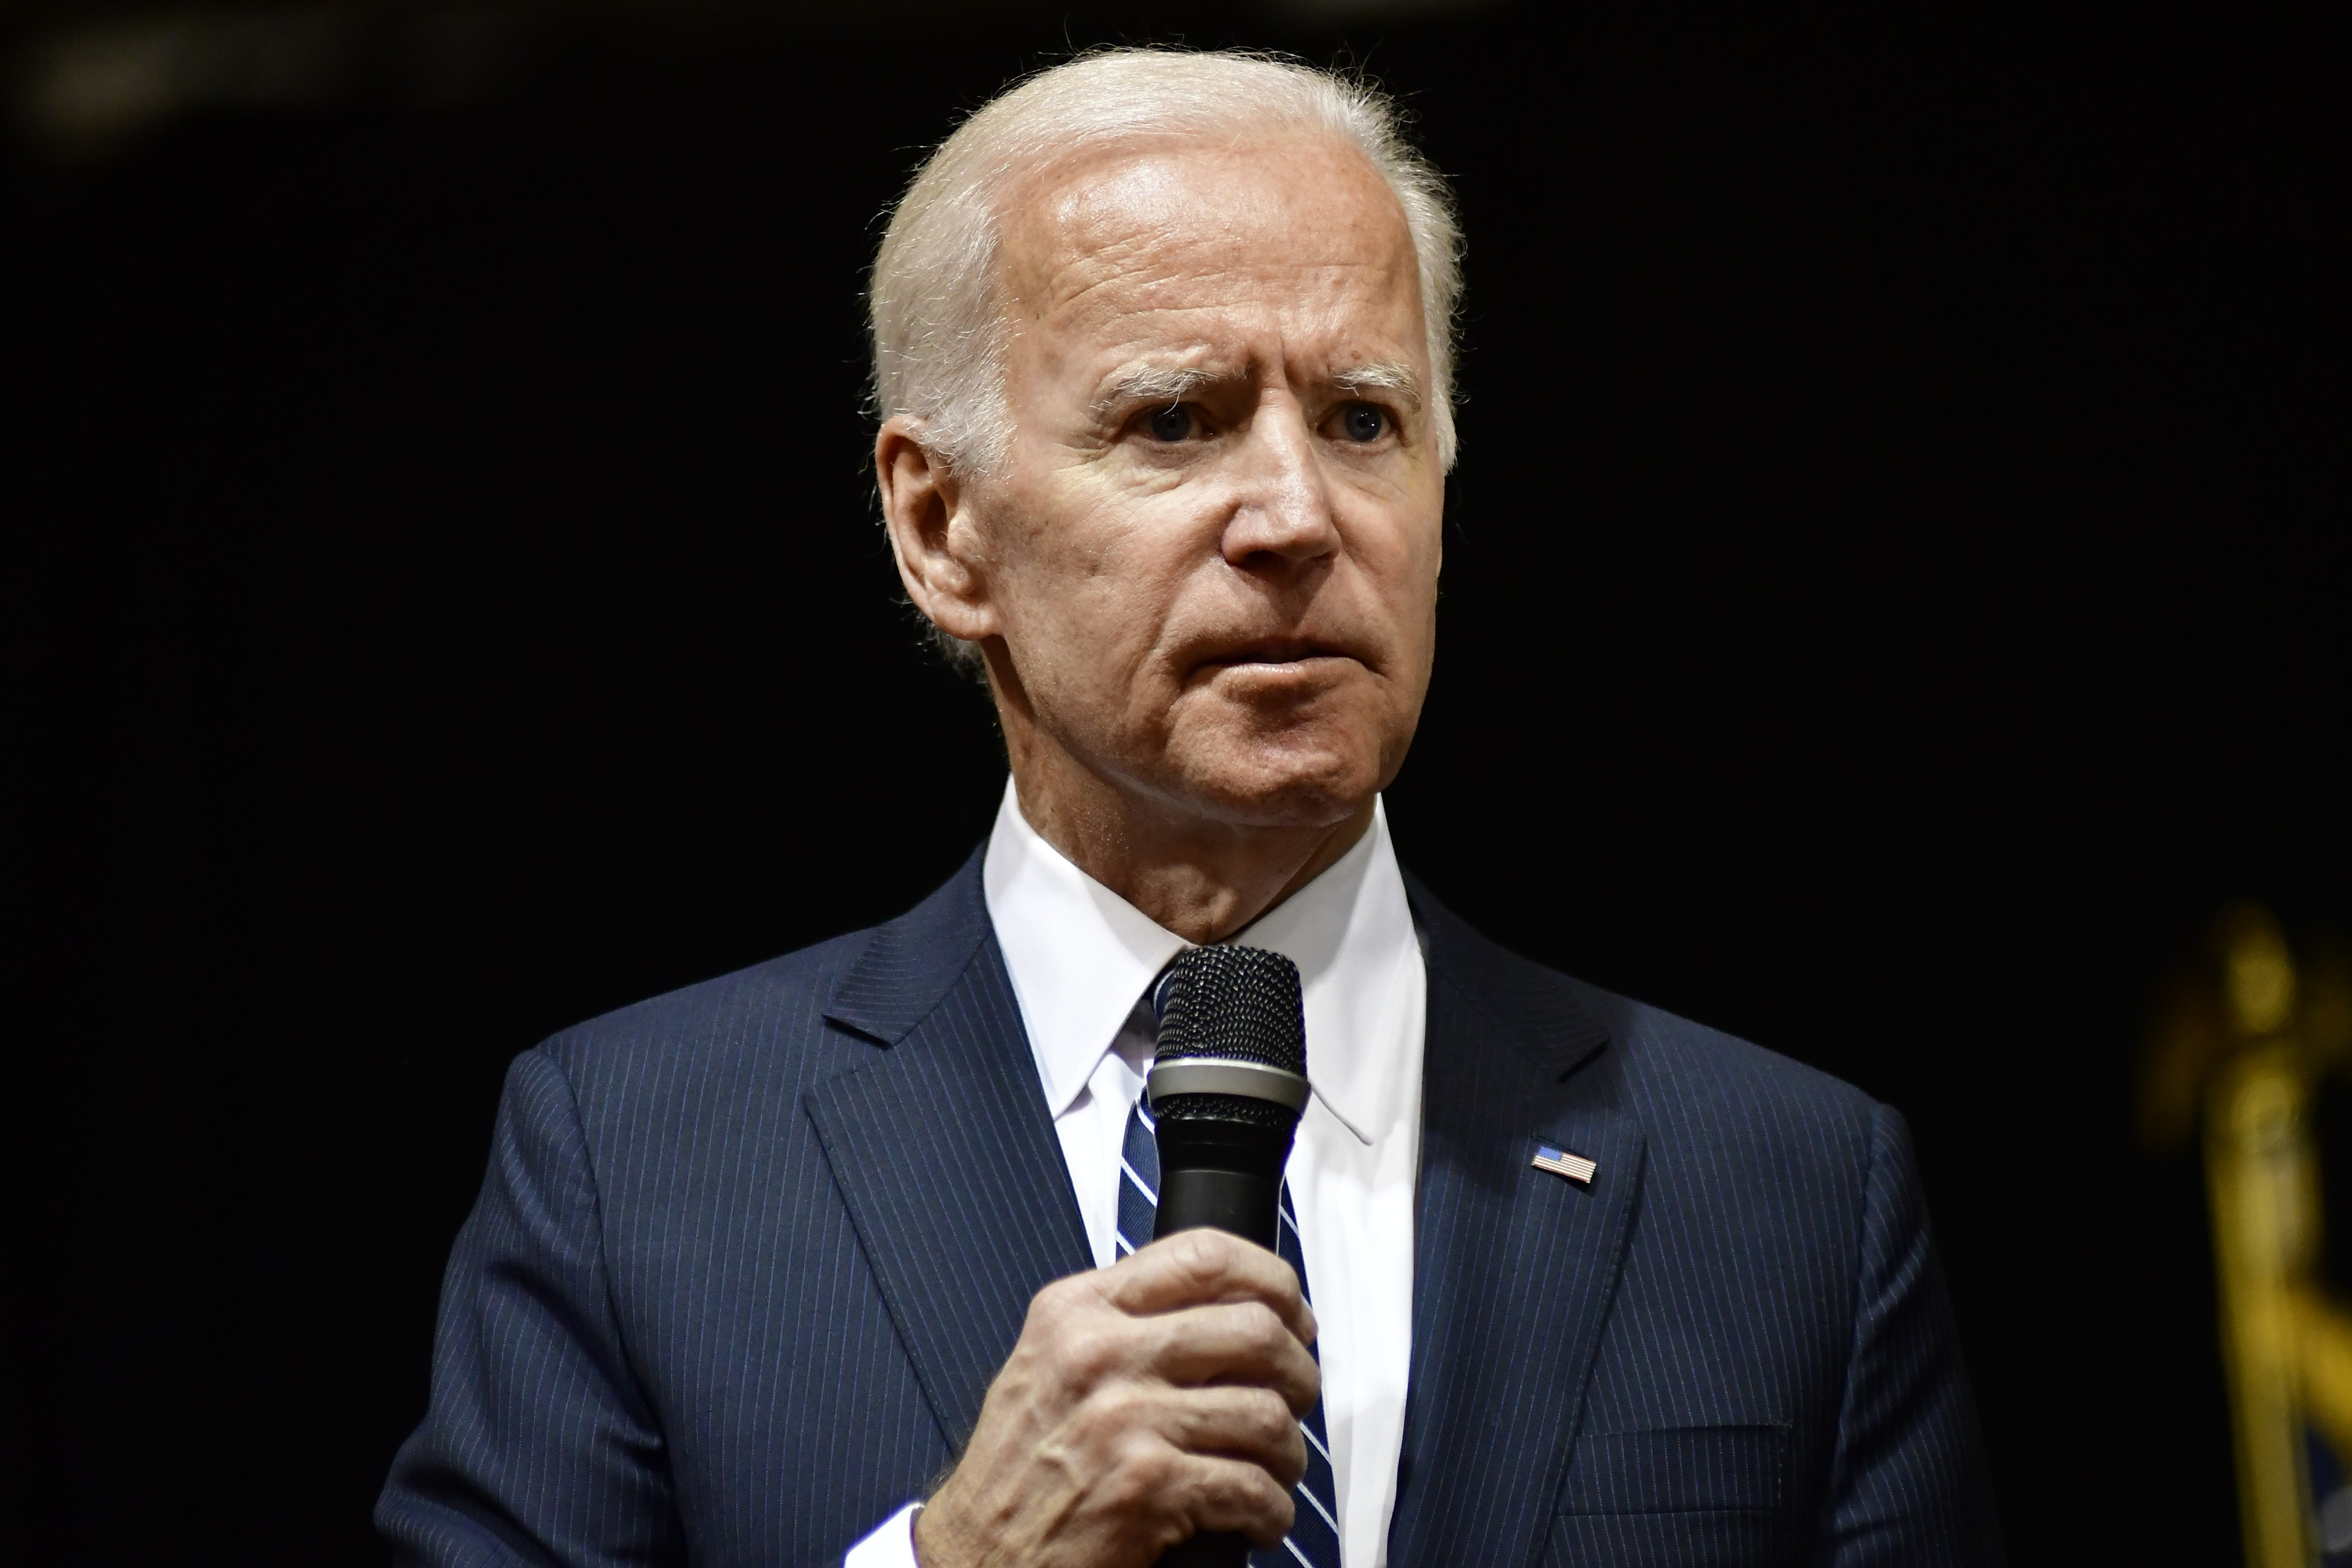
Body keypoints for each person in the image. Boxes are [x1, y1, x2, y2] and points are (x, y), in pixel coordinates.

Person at [376, 48, 2002, 1568]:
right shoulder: (634, 1159)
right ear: (942, 530)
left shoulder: (1791, 1191)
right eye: (1178, 419)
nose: (1298, 514)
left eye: (1364, 419)